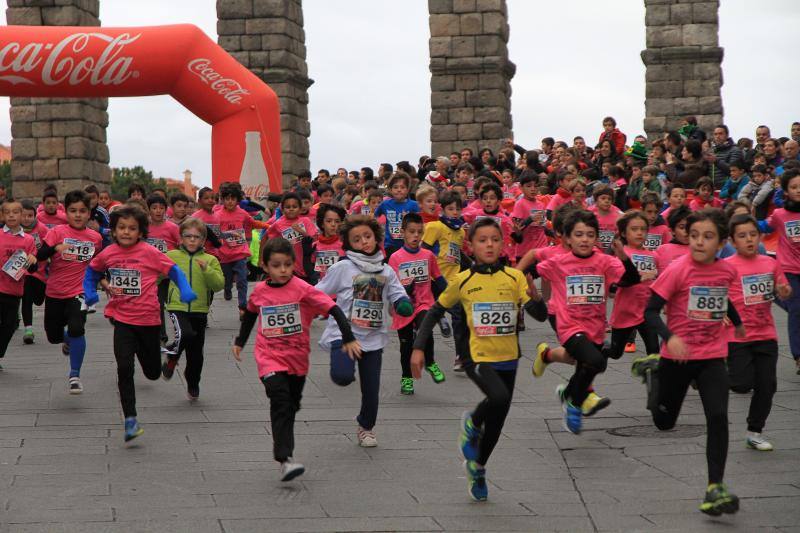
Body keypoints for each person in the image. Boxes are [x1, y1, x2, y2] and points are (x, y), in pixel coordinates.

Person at [409, 218, 547, 502]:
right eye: (482, 240)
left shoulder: (514, 277)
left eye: (495, 239)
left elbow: (540, 316)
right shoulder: (463, 280)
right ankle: (472, 422)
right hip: (476, 356)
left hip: (509, 357)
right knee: (496, 399)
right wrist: (419, 348)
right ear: (471, 246)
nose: (489, 244)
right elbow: (435, 312)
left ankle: (478, 467)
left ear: (502, 243)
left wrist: (537, 299)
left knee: (496, 424)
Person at [631, 209, 744, 516]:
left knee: (718, 416)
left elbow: (723, 296)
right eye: (694, 235)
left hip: (711, 356)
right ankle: (654, 376)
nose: (698, 242)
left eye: (707, 237)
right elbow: (651, 311)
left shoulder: (727, 270)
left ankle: (714, 487)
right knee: (664, 422)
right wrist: (670, 338)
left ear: (721, 242)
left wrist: (736, 321)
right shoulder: (678, 270)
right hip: (676, 358)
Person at [233, 237, 361, 481]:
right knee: (279, 400)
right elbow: (250, 314)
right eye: (276, 265)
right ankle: (285, 458)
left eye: (287, 265)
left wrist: (348, 337)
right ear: (265, 266)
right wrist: (240, 341)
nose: (283, 270)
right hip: (269, 357)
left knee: (291, 403)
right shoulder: (259, 291)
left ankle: (287, 432)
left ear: (294, 264)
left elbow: (333, 309)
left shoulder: (303, 289)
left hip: (297, 359)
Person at [83, 205, 196, 442]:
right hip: (122, 319)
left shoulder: (149, 252)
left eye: (132, 228)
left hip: (148, 320)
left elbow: (173, 270)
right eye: (121, 228)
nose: (126, 232)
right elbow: (92, 271)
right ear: (113, 231)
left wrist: (184, 289)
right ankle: (130, 419)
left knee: (153, 373)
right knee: (124, 368)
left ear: (141, 232)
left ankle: (160, 360)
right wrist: (90, 292)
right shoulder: (108, 253)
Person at [535, 210, 641, 434]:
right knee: (596, 361)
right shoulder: (558, 262)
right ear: (568, 238)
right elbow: (530, 270)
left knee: (589, 365)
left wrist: (623, 256)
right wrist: (529, 297)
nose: (584, 240)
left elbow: (632, 279)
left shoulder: (605, 261)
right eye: (579, 234)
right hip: (569, 325)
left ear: (596, 238)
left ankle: (567, 394)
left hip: (595, 327)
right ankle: (573, 404)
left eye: (590, 235)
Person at [316, 215, 412, 447]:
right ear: (348, 244)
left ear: (376, 237)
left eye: (367, 236)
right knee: (342, 376)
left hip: (373, 338)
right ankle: (341, 365)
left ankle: (366, 426)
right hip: (344, 335)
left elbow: (398, 293)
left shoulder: (386, 270)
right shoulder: (342, 267)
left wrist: (402, 304)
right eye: (357, 239)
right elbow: (318, 291)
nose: (364, 242)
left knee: (371, 390)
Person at [725, 214, 790, 451]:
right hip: (738, 335)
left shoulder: (770, 263)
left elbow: (783, 291)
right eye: (742, 236)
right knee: (741, 384)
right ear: (732, 240)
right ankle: (713, 368)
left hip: (766, 334)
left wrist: (783, 290)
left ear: (760, 236)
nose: (749, 240)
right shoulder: (727, 266)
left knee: (767, 385)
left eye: (753, 234)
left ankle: (755, 431)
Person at [36, 190, 103, 394]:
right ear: (65, 212)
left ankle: (75, 375)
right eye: (73, 211)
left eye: (82, 211)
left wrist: (102, 281)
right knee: (53, 336)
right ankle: (66, 340)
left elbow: (98, 264)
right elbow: (39, 255)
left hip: (79, 291)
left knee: (77, 328)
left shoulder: (95, 238)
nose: (78, 215)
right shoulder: (57, 232)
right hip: (55, 291)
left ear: (89, 213)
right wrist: (55, 248)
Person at [161, 218, 224, 400]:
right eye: (188, 236)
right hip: (176, 306)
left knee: (196, 355)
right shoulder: (171, 256)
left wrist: (207, 271)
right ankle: (173, 357)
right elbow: (157, 274)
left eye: (196, 237)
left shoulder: (210, 259)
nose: (192, 240)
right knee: (185, 334)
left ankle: (193, 381)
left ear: (203, 240)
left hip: (200, 309)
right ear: (181, 238)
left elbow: (219, 285)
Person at [389, 212, 446, 395]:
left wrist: (450, 295)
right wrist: (405, 289)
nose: (415, 236)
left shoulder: (428, 255)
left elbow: (438, 277)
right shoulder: (395, 258)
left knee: (425, 329)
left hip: (424, 302)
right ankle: (407, 378)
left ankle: (429, 362)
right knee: (406, 346)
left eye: (419, 232)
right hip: (404, 307)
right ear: (402, 232)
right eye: (411, 232)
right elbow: (392, 287)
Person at [422, 191, 470, 372]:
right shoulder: (435, 227)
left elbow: (459, 254)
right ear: (443, 209)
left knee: (460, 316)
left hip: (453, 280)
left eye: (458, 209)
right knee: (426, 313)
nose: (455, 213)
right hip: (435, 278)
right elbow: (424, 251)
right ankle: (438, 318)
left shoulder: (460, 232)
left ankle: (460, 356)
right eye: (451, 209)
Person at [758, 168, 800, 374]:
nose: (798, 190)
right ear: (785, 191)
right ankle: (798, 355)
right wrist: (742, 220)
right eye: (794, 187)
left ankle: (775, 294)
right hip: (790, 269)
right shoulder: (780, 215)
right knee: (797, 310)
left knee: (795, 307)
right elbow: (764, 227)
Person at [0, 200, 38, 367]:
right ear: (2, 215)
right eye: (7, 212)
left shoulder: (28, 240)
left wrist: (32, 260)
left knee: (10, 326)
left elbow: (33, 267)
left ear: (22, 216)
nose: (11, 215)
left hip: (14, 290)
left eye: (15, 212)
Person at [145, 194, 181, 344]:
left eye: (161, 208)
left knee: (173, 305)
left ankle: (180, 332)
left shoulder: (172, 227)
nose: (158, 211)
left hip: (170, 273)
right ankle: (162, 336)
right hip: (152, 275)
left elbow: (181, 247)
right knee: (157, 304)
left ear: (166, 210)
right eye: (154, 208)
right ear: (148, 210)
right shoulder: (144, 228)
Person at [217, 182, 254, 316]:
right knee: (226, 278)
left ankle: (242, 307)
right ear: (223, 200)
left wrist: (269, 226)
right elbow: (215, 233)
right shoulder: (218, 215)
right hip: (224, 254)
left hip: (240, 252)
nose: (230, 202)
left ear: (238, 199)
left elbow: (251, 224)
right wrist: (227, 235)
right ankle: (227, 289)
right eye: (227, 199)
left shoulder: (243, 214)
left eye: (233, 198)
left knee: (242, 280)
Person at [266, 192, 317, 282]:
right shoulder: (278, 224)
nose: (291, 209)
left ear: (300, 209)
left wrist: (301, 231)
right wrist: (263, 258)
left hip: (307, 262)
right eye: (288, 207)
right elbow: (267, 237)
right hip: (289, 265)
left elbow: (313, 239)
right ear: (282, 209)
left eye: (294, 207)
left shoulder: (305, 221)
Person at [19, 200, 48, 345]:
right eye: (24, 215)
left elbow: (49, 245)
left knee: (38, 300)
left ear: (35, 216)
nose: (26, 218)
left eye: (30, 215)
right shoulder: (15, 230)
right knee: (26, 299)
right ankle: (28, 329)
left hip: (41, 273)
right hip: (23, 273)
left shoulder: (42, 229)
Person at [373, 172, 419, 258]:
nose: (399, 190)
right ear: (390, 189)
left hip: (409, 243)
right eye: (395, 187)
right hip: (390, 244)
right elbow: (375, 215)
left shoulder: (414, 205)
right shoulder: (385, 204)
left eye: (402, 187)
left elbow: (420, 222)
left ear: (408, 189)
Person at [308, 204, 345, 283]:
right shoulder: (314, 246)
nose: (333, 224)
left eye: (337, 221)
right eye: (329, 221)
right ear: (322, 224)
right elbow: (314, 271)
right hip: (322, 291)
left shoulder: (345, 245)